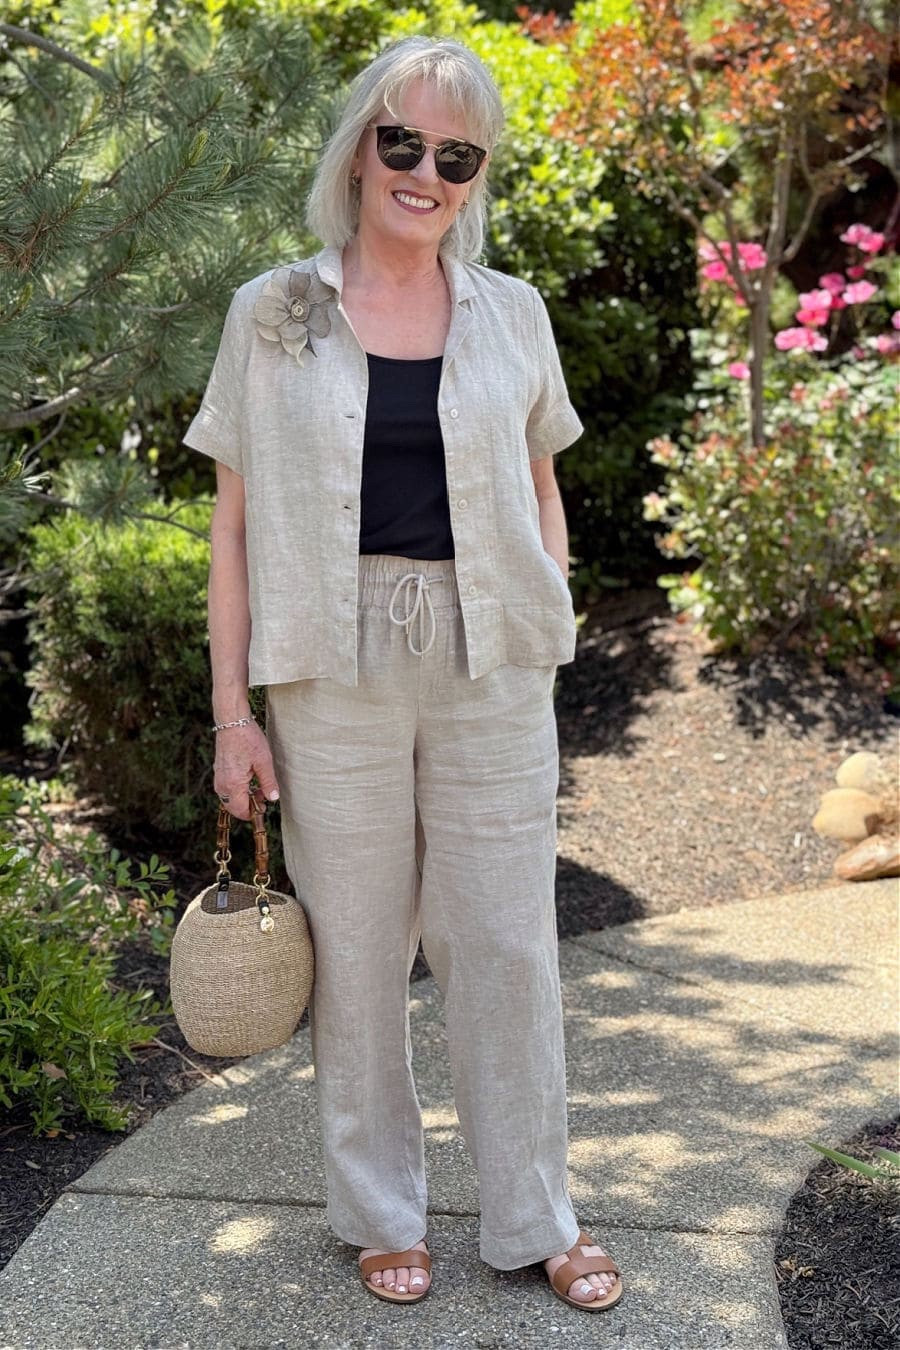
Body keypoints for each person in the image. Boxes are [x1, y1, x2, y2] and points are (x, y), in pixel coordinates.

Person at [182, 34, 624, 1313]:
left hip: (491, 659)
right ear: (359, 152)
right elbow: (232, 526)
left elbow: (542, 484)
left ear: (477, 177)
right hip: (334, 661)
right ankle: (381, 1211)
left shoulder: (514, 314)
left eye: (457, 156)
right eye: (403, 143)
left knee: (506, 947)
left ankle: (535, 1216)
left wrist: (544, 620)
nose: (426, 173)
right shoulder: (274, 310)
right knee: (362, 951)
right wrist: (233, 716)